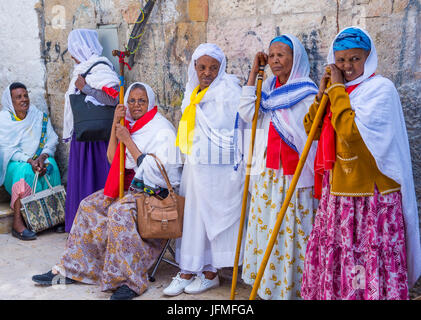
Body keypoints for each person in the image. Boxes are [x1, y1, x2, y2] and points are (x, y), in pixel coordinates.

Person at [301, 26, 421, 300]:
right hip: (340, 194)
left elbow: (352, 134)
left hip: (372, 197)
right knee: (346, 256)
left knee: (367, 256)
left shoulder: (380, 90)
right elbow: (313, 130)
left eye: (355, 59)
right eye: (341, 60)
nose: (347, 65)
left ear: (368, 58)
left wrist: (338, 90)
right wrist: (322, 94)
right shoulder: (337, 93)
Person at [32, 82, 182, 300]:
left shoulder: (162, 129)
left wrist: (128, 141)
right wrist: (115, 123)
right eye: (131, 100)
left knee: (119, 211)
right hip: (132, 188)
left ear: (151, 102)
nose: (136, 105)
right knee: (88, 205)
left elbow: (159, 173)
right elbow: (112, 158)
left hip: (155, 193)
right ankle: (75, 268)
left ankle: (129, 281)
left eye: (142, 101)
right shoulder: (129, 124)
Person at [236, 35, 319, 299]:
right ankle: (270, 287)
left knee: (294, 234)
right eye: (271, 55)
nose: (274, 60)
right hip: (268, 176)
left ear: (295, 60)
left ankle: (295, 289)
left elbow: (311, 140)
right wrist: (254, 71)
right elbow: (247, 112)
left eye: (281, 55)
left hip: (296, 180)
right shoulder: (268, 88)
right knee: (268, 231)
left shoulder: (307, 93)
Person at [163, 43, 245, 296]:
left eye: (213, 68)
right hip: (196, 168)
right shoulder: (191, 91)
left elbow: (236, 129)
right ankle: (188, 269)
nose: (207, 72)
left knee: (214, 219)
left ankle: (211, 273)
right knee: (194, 219)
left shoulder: (230, 91)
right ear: (194, 67)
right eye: (202, 67)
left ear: (221, 69)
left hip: (219, 171)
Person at [63, 29, 120, 232]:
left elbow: (113, 98)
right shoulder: (83, 68)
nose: (71, 55)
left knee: (96, 179)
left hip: (98, 138)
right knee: (83, 179)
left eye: (73, 50)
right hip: (84, 136)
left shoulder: (102, 69)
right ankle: (81, 228)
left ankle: (98, 229)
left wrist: (86, 87)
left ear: (81, 48)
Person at [0, 82, 61, 241]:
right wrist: (29, 160)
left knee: (52, 166)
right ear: (10, 102)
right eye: (18, 97)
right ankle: (17, 224)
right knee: (24, 172)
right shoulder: (4, 121)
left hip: (39, 158)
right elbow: (7, 151)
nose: (24, 100)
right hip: (17, 163)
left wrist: (43, 156)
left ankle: (56, 216)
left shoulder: (38, 116)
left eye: (25, 95)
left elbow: (52, 139)